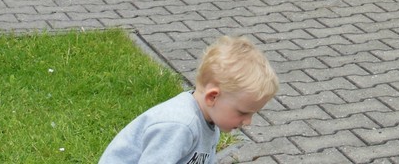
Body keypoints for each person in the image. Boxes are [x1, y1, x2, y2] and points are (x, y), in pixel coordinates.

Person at [98, 35, 278, 164]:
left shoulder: (210, 121)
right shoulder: (180, 126)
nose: (248, 122)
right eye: (243, 112)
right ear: (213, 97)